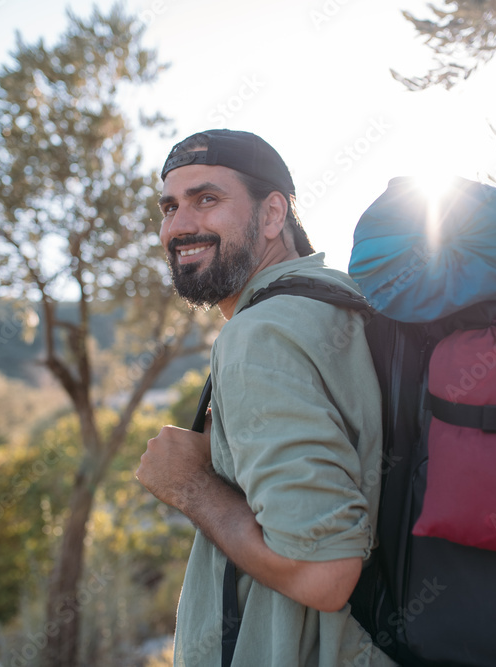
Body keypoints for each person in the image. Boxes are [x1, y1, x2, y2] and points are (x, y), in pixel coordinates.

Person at [136, 129, 394, 666]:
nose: (179, 225)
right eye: (169, 206)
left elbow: (326, 574)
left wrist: (191, 487)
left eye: (207, 199)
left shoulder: (260, 334)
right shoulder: (342, 301)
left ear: (273, 213)